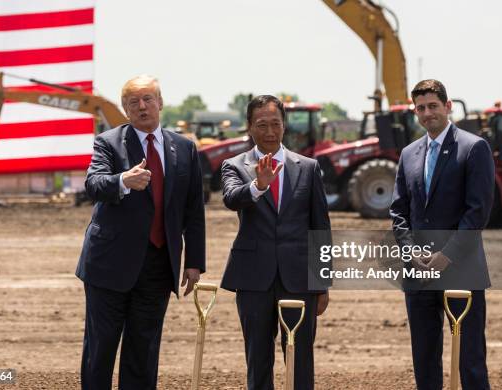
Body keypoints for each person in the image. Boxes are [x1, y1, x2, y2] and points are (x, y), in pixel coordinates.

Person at [75, 75, 205, 389]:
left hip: (159, 266)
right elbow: (93, 185)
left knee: (143, 351)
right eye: (134, 102)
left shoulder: (185, 149)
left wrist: (194, 261)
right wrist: (122, 180)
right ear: (125, 109)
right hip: (109, 266)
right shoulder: (108, 142)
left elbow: (193, 210)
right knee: (101, 349)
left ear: (160, 103)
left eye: (148, 99)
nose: (142, 106)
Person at [220, 95, 331, 390]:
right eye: (262, 125)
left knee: (300, 358)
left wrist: (322, 283)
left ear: (284, 126)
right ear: (249, 127)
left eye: (275, 124)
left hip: (299, 279)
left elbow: (320, 226)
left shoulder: (307, 167)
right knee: (258, 358)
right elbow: (231, 199)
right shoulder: (235, 165)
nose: (269, 132)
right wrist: (258, 185)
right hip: (253, 278)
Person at [390, 79, 494, 390]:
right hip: (418, 273)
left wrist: (447, 255)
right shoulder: (408, 154)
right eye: (420, 108)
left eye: (433, 106)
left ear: (447, 107)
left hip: (461, 271)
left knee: (470, 360)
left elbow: (477, 211)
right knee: (424, 359)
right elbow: (398, 211)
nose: (427, 113)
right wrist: (410, 253)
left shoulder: (474, 148)